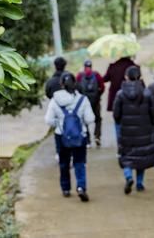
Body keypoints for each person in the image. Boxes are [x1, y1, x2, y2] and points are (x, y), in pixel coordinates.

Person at [45, 72, 95, 202]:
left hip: (61, 136)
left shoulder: (55, 100)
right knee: (80, 163)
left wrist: (60, 124)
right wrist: (80, 122)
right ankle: (81, 187)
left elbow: (48, 120)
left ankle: (66, 189)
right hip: (80, 135)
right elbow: (90, 119)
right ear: (75, 83)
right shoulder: (83, 100)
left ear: (61, 84)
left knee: (64, 163)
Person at [113, 66, 154, 194]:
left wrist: (121, 123)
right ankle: (140, 183)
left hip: (126, 131)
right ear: (140, 77)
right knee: (141, 156)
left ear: (126, 77)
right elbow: (153, 113)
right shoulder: (147, 93)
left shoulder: (120, 94)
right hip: (144, 130)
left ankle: (128, 177)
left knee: (127, 155)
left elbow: (116, 114)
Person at [77, 60, 105, 147]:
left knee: (84, 121)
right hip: (96, 101)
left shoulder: (79, 76)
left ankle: (88, 140)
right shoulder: (96, 75)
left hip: (84, 103)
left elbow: (76, 87)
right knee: (98, 119)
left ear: (84, 66)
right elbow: (102, 87)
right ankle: (97, 136)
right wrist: (98, 95)